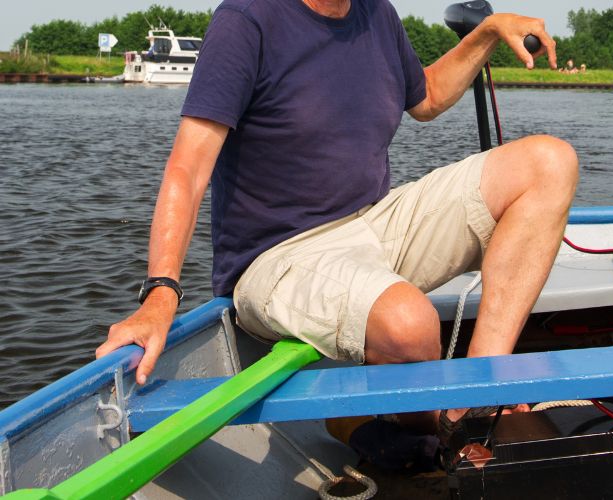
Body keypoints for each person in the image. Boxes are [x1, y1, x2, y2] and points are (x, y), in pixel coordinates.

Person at [96, 0, 578, 433]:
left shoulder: (378, 15)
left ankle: (477, 398)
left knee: (549, 162)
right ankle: (425, 432)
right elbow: (188, 168)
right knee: (410, 325)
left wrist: (487, 32)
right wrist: (161, 293)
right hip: (276, 256)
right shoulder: (246, 21)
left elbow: (426, 96)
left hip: (373, 221)